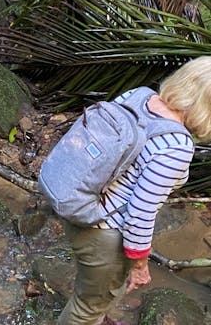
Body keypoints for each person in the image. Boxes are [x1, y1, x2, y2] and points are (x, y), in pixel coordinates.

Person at [57, 56, 211, 325]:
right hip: (102, 227)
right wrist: (139, 266)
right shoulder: (176, 146)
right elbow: (141, 211)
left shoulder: (139, 95)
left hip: (75, 198)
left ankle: (99, 309)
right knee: (86, 308)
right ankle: (95, 311)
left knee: (94, 287)